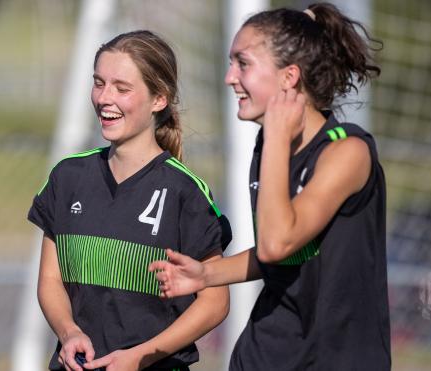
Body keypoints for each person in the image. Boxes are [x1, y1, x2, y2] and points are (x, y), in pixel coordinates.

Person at [150, 3, 390, 370]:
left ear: (289, 76)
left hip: (336, 358)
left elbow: (279, 243)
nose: (230, 77)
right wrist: (207, 274)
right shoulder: (270, 145)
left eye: (243, 63)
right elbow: (281, 250)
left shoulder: (347, 151)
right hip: (266, 354)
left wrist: (277, 137)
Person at [28, 30, 232, 371]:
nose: (105, 98)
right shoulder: (68, 177)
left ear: (159, 99)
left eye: (122, 88)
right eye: (99, 83)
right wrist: (69, 332)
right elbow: (50, 280)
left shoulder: (187, 192)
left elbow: (214, 302)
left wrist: (141, 356)